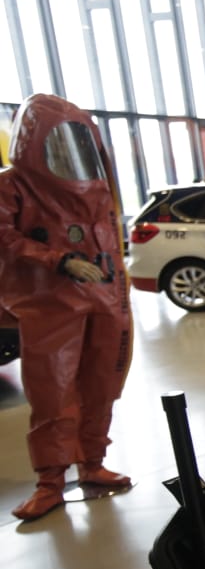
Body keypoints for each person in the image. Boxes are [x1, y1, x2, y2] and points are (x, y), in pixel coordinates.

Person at [0, 94, 133, 521]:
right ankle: (51, 481)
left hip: (107, 297)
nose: (69, 150)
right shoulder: (13, 185)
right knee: (52, 392)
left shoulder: (99, 186)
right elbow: (5, 237)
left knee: (102, 385)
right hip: (52, 304)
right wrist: (58, 259)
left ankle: (92, 463)